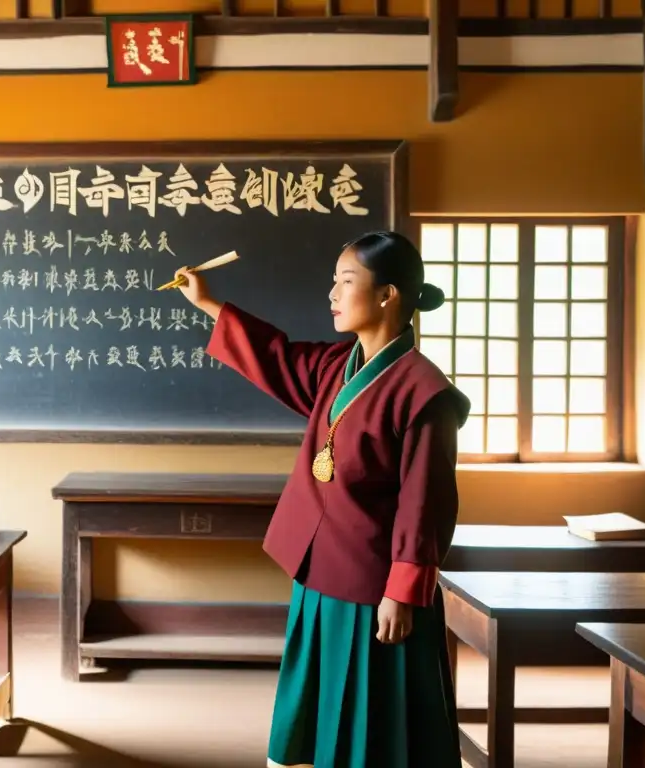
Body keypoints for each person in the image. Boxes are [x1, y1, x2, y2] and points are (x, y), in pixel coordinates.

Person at [173, 230, 470, 768]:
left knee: (373, 726)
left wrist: (403, 591)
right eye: (333, 281)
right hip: (320, 574)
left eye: (346, 282)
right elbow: (278, 358)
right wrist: (210, 303)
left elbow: (425, 503)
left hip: (374, 588)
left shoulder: (424, 392)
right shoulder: (340, 365)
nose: (332, 294)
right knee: (315, 717)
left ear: (387, 295)